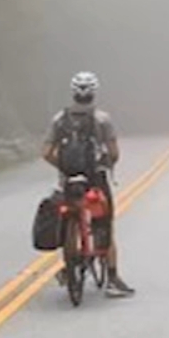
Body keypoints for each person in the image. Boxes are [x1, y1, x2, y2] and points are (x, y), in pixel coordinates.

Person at [43, 71, 133, 295]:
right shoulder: (102, 119)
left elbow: (45, 152)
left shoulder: (59, 119)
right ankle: (112, 279)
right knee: (105, 225)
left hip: (69, 180)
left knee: (67, 215)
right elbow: (114, 152)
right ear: (94, 93)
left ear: (73, 93)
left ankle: (69, 262)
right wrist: (105, 164)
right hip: (95, 179)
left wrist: (64, 167)